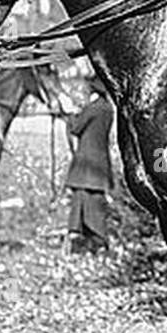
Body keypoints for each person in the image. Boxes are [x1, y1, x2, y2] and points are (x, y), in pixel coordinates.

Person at [64, 84, 115, 254]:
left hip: (86, 166)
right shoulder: (108, 108)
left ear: (92, 91)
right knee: (94, 205)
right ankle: (94, 246)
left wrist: (70, 113)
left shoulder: (92, 109)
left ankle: (86, 246)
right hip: (99, 166)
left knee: (83, 204)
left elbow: (76, 128)